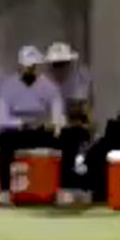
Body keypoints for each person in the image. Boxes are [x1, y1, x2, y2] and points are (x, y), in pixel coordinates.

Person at [0, 46, 64, 206]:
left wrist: (53, 125)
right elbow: (1, 120)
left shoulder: (48, 87)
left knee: (62, 141)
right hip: (16, 132)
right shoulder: (7, 87)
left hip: (39, 131)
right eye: (27, 67)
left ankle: (59, 189)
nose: (30, 70)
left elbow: (57, 114)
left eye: (33, 67)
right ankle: (4, 191)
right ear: (19, 66)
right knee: (5, 144)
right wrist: (22, 124)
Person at [45, 42, 94, 204]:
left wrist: (68, 123)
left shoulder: (80, 77)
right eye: (56, 65)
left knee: (74, 139)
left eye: (63, 64)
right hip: (49, 128)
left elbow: (81, 111)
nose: (60, 68)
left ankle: (77, 187)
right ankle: (61, 187)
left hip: (73, 128)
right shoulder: (43, 82)